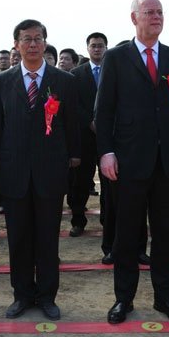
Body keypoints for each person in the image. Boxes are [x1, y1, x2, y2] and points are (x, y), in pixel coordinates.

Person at [96, 0, 169, 325]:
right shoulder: (116, 58)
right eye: (150, 12)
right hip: (129, 162)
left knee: (167, 234)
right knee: (127, 235)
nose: (156, 17)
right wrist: (106, 152)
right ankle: (123, 299)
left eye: (160, 12)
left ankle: (164, 298)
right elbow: (104, 110)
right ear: (134, 18)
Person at [0, 19, 80, 321]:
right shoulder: (1, 82)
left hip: (50, 172)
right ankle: (22, 295)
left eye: (38, 38)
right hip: (14, 172)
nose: (32, 44)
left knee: (47, 239)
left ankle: (47, 296)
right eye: (26, 39)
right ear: (16, 45)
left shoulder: (64, 81)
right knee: (18, 239)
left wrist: (73, 157)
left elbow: (71, 124)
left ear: (45, 43)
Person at [69, 33, 107, 238]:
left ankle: (107, 221)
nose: (97, 49)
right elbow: (73, 104)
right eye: (94, 46)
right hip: (84, 135)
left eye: (101, 46)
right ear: (87, 48)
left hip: (109, 135)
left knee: (109, 180)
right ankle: (78, 220)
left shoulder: (114, 69)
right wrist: (89, 122)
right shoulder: (76, 74)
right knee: (80, 181)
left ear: (106, 48)